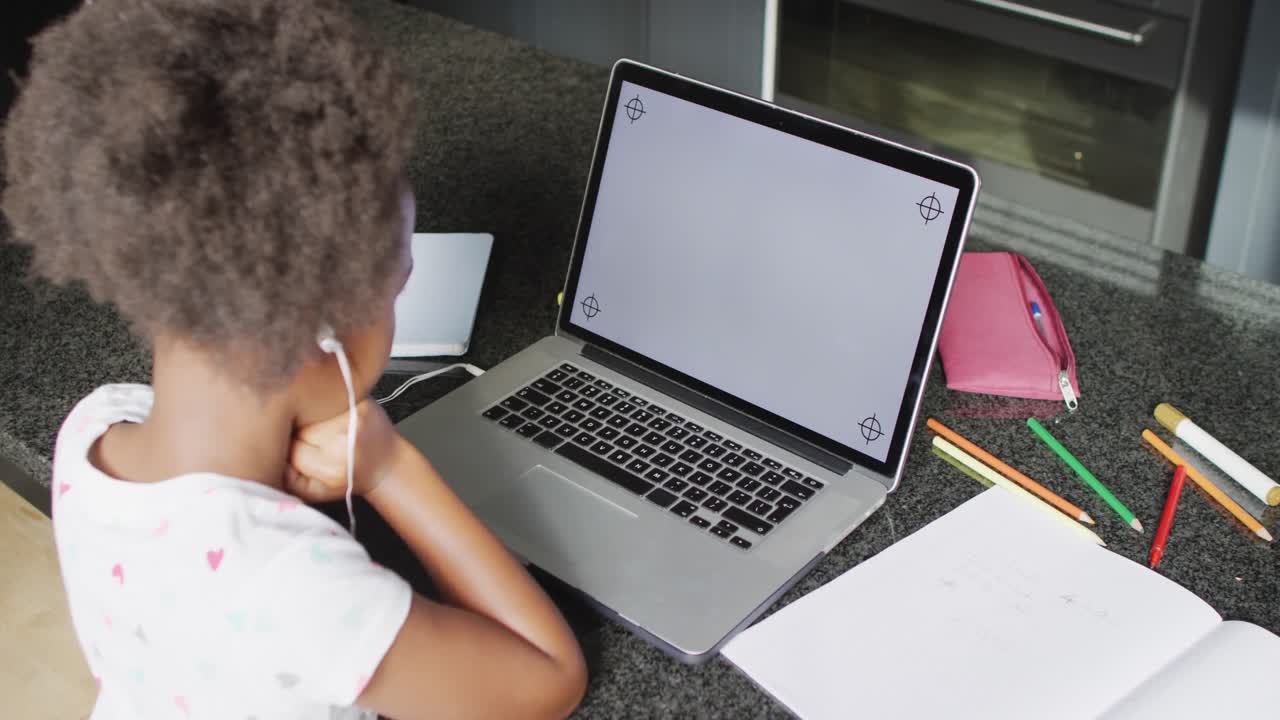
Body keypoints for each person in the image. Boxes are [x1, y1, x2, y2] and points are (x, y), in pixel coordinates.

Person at [1, 1, 588, 718]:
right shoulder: (295, 590)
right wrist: (390, 467)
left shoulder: (93, 428)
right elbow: (549, 681)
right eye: (397, 282)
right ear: (330, 328)